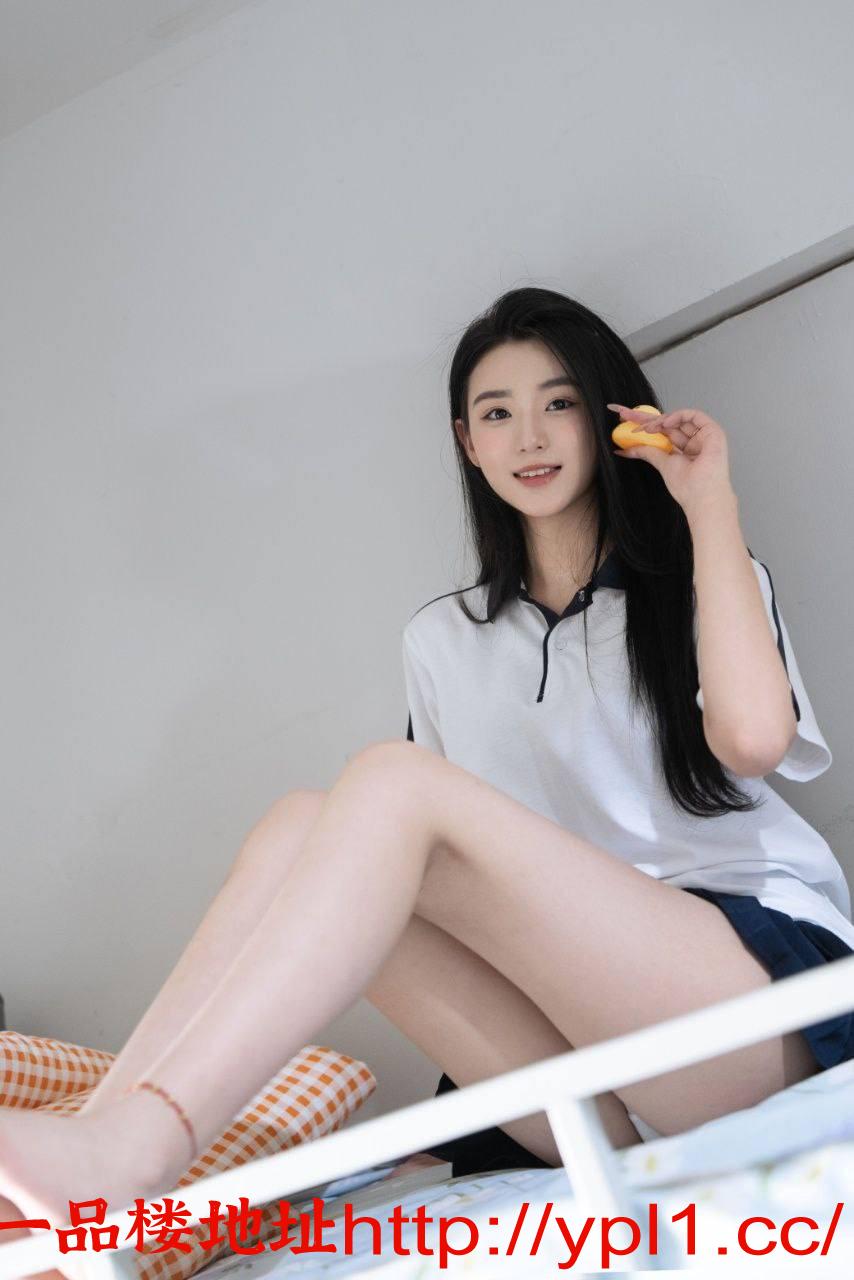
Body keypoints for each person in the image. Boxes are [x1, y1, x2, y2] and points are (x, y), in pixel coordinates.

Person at [2, 287, 853, 1253]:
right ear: (467, 443)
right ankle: (97, 1154)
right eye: (497, 413)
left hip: (744, 1006)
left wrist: (708, 502)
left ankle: (137, 1145)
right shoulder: (442, 641)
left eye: (560, 402)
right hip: (589, 1080)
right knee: (300, 828)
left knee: (391, 784)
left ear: (609, 419)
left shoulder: (701, 576)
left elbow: (753, 743)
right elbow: (443, 895)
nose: (530, 435)